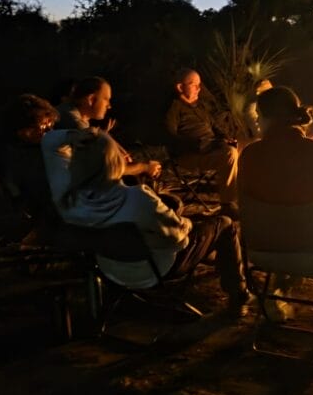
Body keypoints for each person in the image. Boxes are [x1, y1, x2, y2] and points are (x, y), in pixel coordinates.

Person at [46, 128, 250, 316]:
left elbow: (49, 140)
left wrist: (81, 136)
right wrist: (187, 223)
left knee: (171, 210)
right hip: (153, 270)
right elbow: (178, 240)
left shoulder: (68, 199)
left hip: (108, 267)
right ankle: (238, 295)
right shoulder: (137, 199)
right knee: (225, 223)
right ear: (115, 162)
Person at [238, 85, 313, 331]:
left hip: (260, 250)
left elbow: (242, 207)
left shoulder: (250, 155)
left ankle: (274, 296)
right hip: (311, 254)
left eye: (258, 116)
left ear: (264, 118)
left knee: (284, 230)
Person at [163, 68, 239, 216]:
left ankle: (242, 195)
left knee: (241, 147)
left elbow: (215, 127)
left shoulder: (199, 107)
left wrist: (226, 138)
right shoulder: (173, 108)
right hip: (190, 155)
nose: (199, 88)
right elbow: (170, 138)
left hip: (211, 148)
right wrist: (201, 144)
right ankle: (227, 205)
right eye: (193, 84)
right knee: (229, 154)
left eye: (199, 84)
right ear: (180, 87)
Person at [56, 76, 162, 181]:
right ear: (91, 99)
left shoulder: (67, 110)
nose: (109, 106)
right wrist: (145, 167)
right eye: (106, 99)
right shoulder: (77, 126)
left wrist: (108, 139)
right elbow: (109, 170)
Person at [0, 93, 62, 242]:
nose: (50, 131)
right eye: (44, 127)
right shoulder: (15, 155)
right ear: (23, 131)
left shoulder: (43, 146)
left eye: (50, 124)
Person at [248, 78, 313, 152]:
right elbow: (259, 132)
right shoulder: (254, 107)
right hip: (275, 143)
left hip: (291, 139)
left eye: (271, 90)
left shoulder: (278, 102)